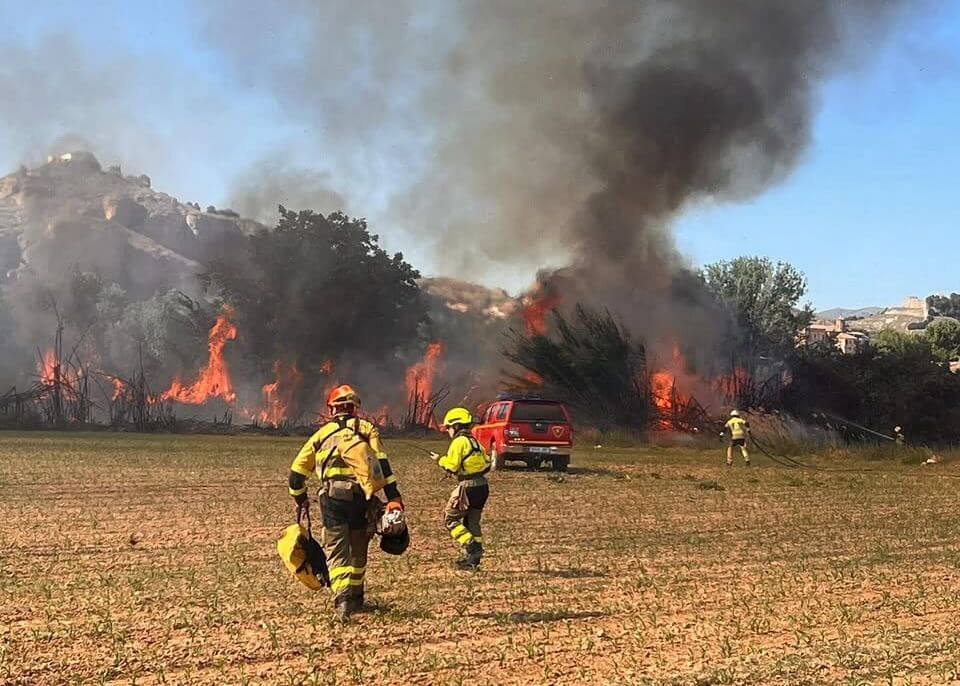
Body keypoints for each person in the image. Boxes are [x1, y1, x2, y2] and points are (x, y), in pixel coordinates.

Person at [287, 384, 403, 620]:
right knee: (358, 547)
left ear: (332, 410)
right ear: (354, 410)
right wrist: (394, 498)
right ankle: (357, 597)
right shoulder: (366, 429)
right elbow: (382, 466)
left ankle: (342, 600)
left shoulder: (320, 435)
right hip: (360, 497)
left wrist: (300, 498)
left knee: (337, 549)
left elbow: (296, 475)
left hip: (331, 499)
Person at [431, 407, 492, 571]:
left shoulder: (458, 442)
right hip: (482, 486)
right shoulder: (475, 442)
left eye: (449, 427)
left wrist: (439, 460)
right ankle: (473, 559)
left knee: (449, 518)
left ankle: (471, 547)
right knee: (472, 521)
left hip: (468, 487)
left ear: (456, 426)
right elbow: (487, 463)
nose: (448, 431)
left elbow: (451, 466)